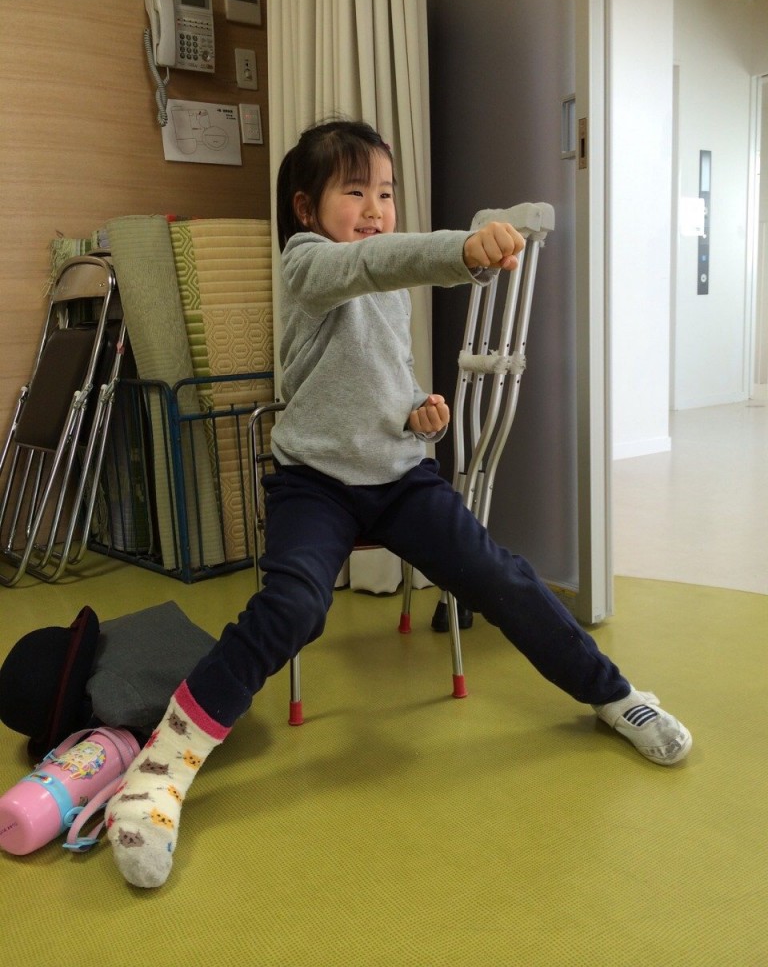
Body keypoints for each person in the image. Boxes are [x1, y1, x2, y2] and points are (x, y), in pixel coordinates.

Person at [105, 118, 692, 889]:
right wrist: (461, 250)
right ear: (306, 207)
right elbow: (373, 262)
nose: (376, 208)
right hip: (315, 482)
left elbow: (382, 375)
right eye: (356, 192)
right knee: (293, 606)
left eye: (385, 192)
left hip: (400, 476)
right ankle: (160, 768)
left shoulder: (380, 291)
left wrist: (420, 413)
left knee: (503, 577)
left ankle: (614, 695)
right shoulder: (306, 263)